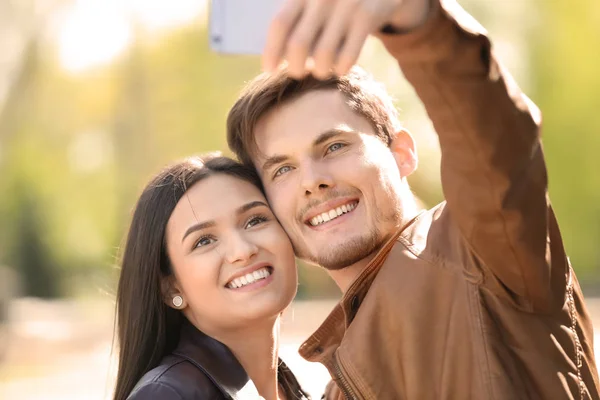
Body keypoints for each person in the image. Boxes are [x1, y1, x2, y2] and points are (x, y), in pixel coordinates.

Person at [226, 0, 600, 398]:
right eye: (282, 169)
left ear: (401, 153)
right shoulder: (337, 384)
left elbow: (494, 137)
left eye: (334, 146)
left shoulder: (479, 252)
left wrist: (418, 19)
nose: (312, 182)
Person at [113, 155, 310, 400]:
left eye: (255, 220)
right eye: (204, 241)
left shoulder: (288, 388)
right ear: (170, 288)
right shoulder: (166, 394)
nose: (243, 251)